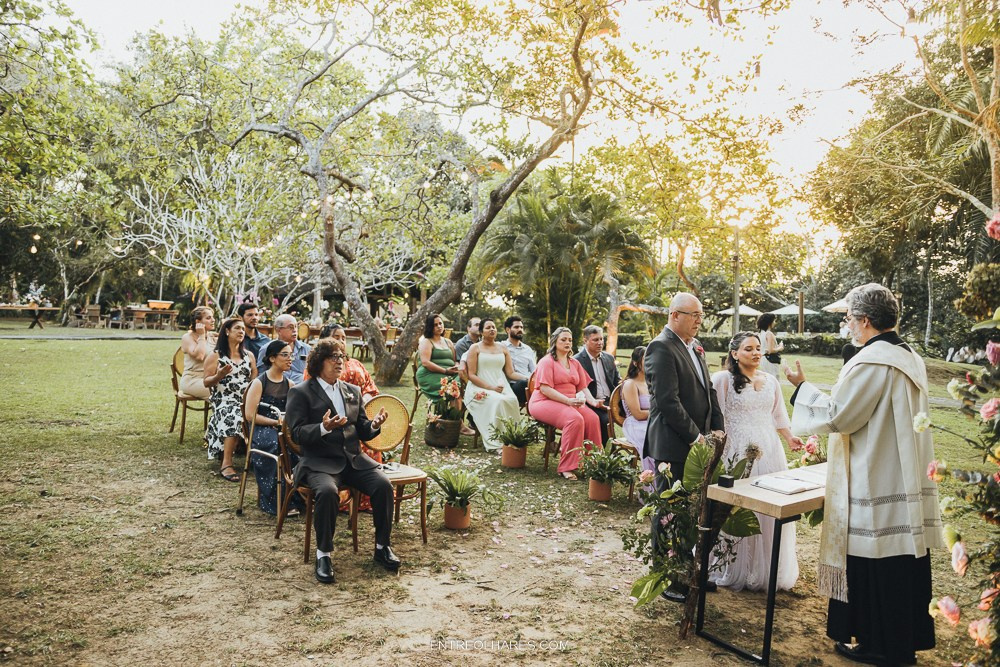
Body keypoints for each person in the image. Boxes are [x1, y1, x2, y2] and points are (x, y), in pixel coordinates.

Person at [784, 283, 944, 666]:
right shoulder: (908, 356)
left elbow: (842, 416)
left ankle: (880, 645)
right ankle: (902, 640)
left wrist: (802, 389)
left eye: (849, 319)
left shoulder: (872, 361)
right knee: (902, 560)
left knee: (876, 559)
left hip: (876, 475)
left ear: (866, 320)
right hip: (899, 470)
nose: (847, 325)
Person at [284, 339, 396, 584]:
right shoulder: (301, 392)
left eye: (342, 357)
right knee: (326, 492)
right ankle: (323, 554)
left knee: (383, 486)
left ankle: (382, 547)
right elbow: (298, 433)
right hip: (319, 462)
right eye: (333, 357)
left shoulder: (351, 391)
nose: (339, 361)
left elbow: (362, 430)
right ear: (318, 362)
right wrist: (323, 427)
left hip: (354, 460)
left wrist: (374, 425)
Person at [644, 292, 724, 602]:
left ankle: (688, 571)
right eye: (694, 314)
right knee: (669, 513)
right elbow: (667, 401)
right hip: (673, 445)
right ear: (675, 315)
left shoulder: (695, 349)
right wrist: (696, 438)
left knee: (691, 513)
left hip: (700, 443)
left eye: (700, 315)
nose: (699, 320)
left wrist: (717, 426)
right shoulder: (661, 347)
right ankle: (666, 579)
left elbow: (709, 392)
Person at [710, 332, 803, 592]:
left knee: (769, 509)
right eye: (748, 348)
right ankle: (732, 563)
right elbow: (715, 418)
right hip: (736, 451)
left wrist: (790, 437)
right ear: (734, 353)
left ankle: (763, 567)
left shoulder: (771, 380)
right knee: (737, 508)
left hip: (769, 451)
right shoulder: (722, 380)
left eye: (758, 348)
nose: (755, 353)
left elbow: (778, 415)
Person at [528, 327, 604, 480]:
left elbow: (582, 387)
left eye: (569, 340)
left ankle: (593, 463)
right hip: (544, 401)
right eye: (563, 339)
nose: (567, 342)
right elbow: (545, 389)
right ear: (555, 341)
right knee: (574, 419)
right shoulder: (546, 361)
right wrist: (568, 401)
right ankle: (567, 467)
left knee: (592, 418)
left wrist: (593, 402)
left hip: (570, 402)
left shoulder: (574, 363)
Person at [243, 340, 302, 515]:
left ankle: (299, 496)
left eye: (291, 355)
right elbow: (250, 415)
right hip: (262, 428)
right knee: (276, 445)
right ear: (272, 358)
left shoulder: (290, 384)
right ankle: (276, 500)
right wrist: (275, 422)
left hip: (283, 426)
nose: (290, 359)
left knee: (299, 446)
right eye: (285, 355)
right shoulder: (259, 383)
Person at [204, 317, 258, 481]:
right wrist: (219, 375)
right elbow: (206, 381)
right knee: (235, 417)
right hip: (224, 401)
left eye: (243, 329)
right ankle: (226, 464)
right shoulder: (216, 356)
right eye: (237, 328)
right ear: (227, 331)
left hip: (246, 400)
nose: (242, 331)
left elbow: (254, 378)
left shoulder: (249, 355)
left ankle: (259, 458)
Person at [464, 317, 521, 452]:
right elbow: (471, 375)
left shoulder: (503, 348)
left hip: (501, 385)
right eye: (488, 327)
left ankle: (511, 438)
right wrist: (491, 388)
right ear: (481, 332)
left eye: (494, 327)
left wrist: (530, 378)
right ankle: (496, 443)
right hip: (479, 387)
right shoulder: (475, 348)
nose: (492, 330)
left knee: (512, 400)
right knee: (498, 401)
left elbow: (511, 373)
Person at [416, 313, 473, 435]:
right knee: (455, 389)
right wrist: (445, 371)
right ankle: (459, 425)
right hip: (429, 375)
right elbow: (425, 363)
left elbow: (454, 361)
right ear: (430, 327)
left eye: (440, 323)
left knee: (463, 386)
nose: (439, 326)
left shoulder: (448, 342)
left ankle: (454, 422)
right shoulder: (426, 341)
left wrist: (456, 367)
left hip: (449, 374)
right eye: (435, 324)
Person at [574, 325, 620, 444]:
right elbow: (578, 389)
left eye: (601, 339)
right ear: (585, 340)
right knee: (604, 420)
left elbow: (617, 381)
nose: (600, 343)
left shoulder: (609, 358)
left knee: (638, 415)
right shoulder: (577, 361)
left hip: (612, 401)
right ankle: (609, 455)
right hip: (592, 403)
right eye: (595, 340)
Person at [620, 346, 654, 476]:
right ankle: (651, 481)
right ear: (635, 362)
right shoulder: (630, 384)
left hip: (652, 421)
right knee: (654, 438)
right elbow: (638, 415)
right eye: (646, 359)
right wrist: (657, 413)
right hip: (635, 424)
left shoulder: (651, 382)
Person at [258, 313, 309, 382]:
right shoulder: (267, 349)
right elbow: (261, 374)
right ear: (278, 330)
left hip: (301, 389)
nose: (294, 330)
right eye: (290, 327)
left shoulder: (306, 349)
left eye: (296, 327)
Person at [179, 306, 216, 400]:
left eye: (212, 317)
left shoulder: (213, 337)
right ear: (198, 322)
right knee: (221, 391)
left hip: (211, 378)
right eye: (208, 318)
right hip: (192, 380)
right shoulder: (187, 337)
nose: (213, 320)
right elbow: (200, 356)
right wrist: (202, 335)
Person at [501, 315, 536, 405]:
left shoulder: (528, 349)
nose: (520, 329)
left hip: (528, 385)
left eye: (521, 327)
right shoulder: (501, 346)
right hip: (509, 386)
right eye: (516, 327)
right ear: (508, 330)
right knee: (522, 383)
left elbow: (534, 371)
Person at [756, 313, 783, 378]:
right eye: (774, 321)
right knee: (773, 379)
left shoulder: (760, 334)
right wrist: (780, 347)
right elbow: (770, 350)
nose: (775, 323)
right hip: (770, 361)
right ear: (769, 322)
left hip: (763, 360)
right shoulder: (769, 334)